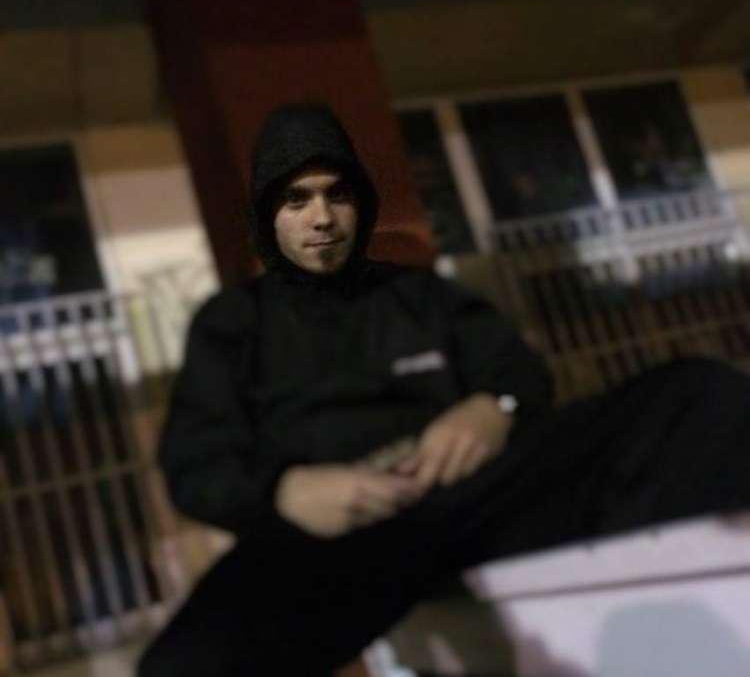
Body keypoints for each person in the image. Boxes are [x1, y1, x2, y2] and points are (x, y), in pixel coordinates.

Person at [138, 104, 750, 676]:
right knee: (183, 666)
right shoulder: (234, 322)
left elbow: (519, 372)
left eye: (337, 194)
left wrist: (495, 407)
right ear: (267, 214)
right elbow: (195, 461)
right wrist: (283, 491)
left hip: (476, 498)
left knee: (693, 392)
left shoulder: (420, 296)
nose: (321, 218)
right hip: (337, 538)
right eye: (296, 199)